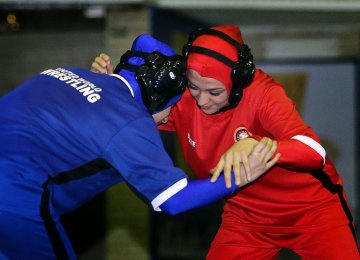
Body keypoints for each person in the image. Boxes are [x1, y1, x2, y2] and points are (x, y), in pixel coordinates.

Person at [0, 34, 279, 259]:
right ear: (157, 99)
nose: (170, 117)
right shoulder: (129, 122)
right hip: (14, 199)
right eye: (172, 106)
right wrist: (239, 176)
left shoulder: (64, 72)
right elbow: (174, 200)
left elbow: (75, 125)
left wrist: (109, 90)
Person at [91, 25, 359, 259]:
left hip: (312, 212)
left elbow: (314, 151)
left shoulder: (264, 94)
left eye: (215, 91)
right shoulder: (186, 98)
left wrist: (256, 143)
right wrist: (114, 88)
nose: (202, 100)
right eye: (194, 87)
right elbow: (142, 117)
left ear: (237, 83)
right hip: (246, 217)